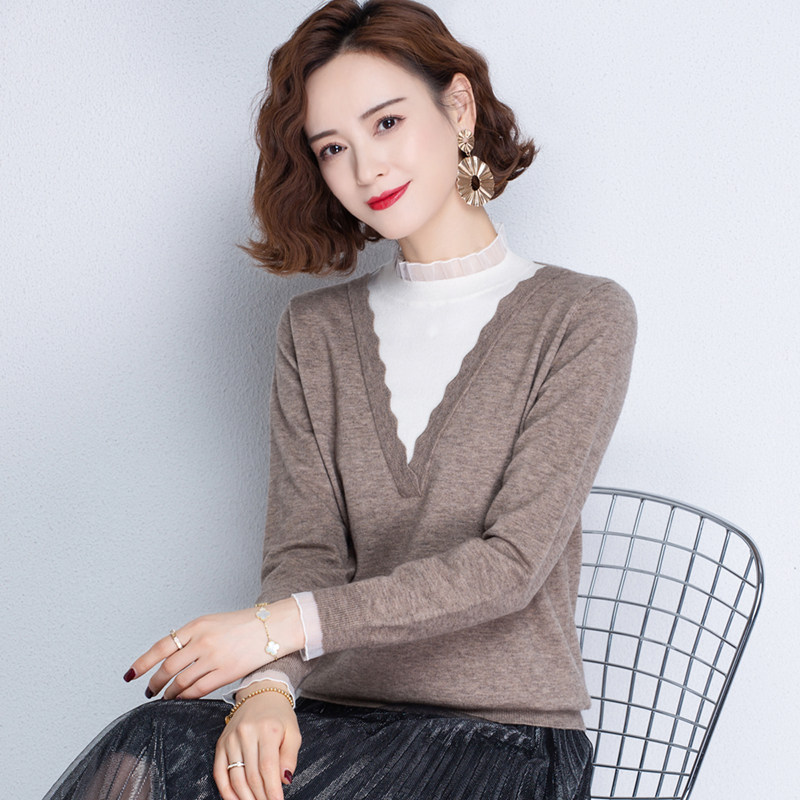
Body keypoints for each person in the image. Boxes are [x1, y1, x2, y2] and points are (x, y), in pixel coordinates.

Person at [43, 1, 636, 799]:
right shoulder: (315, 332)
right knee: (152, 744)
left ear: (458, 108)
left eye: (387, 122)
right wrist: (265, 688)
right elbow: (306, 551)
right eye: (333, 147)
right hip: (338, 723)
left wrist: (271, 630)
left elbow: (512, 566)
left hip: (505, 742)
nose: (366, 169)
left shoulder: (581, 316)